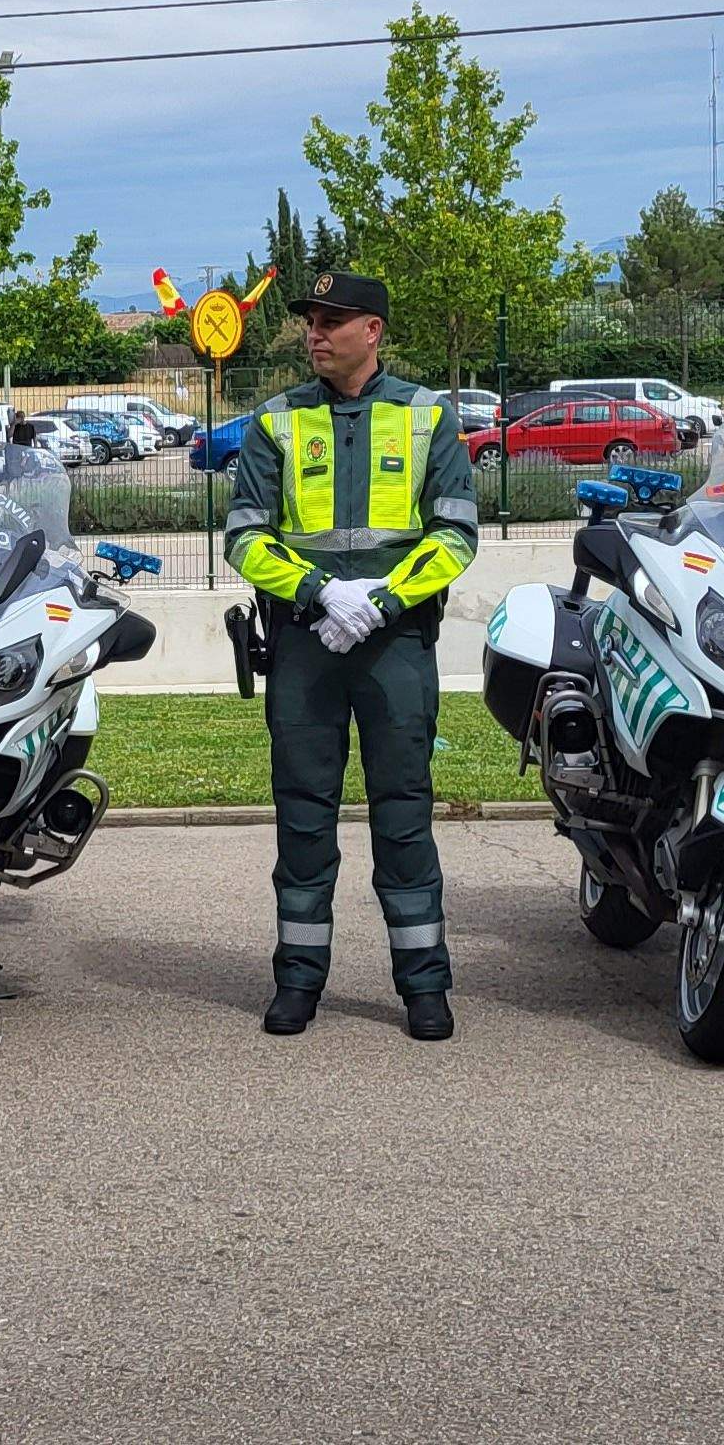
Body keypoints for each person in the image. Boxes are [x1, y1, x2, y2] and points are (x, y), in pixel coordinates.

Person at [224, 271, 480, 1040]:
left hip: (394, 644)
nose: (315, 332)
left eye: (332, 320)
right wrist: (317, 594)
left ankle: (424, 988)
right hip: (307, 645)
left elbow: (456, 535)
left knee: (403, 818)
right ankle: (298, 981)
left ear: (373, 331)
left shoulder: (429, 415)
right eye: (311, 319)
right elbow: (243, 537)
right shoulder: (273, 423)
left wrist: (381, 601)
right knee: (303, 818)